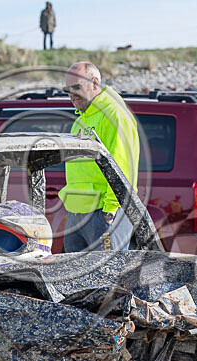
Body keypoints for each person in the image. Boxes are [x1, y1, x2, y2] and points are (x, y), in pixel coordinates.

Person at [59, 61, 139, 252]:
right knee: (73, 278)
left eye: (77, 87)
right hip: (77, 214)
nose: (72, 94)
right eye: (67, 89)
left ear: (95, 82)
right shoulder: (79, 120)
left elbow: (123, 164)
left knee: (108, 278)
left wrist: (110, 211)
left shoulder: (114, 115)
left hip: (105, 212)